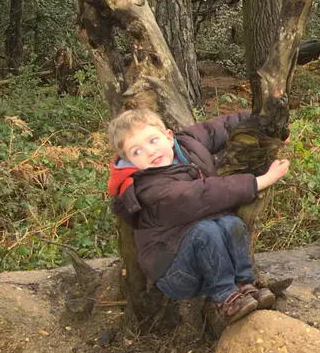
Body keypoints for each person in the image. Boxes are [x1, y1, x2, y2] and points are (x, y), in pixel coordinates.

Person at [105, 107, 290, 327]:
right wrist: (261, 180)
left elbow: (218, 128)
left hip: (203, 253)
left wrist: (268, 125)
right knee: (207, 231)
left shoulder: (187, 143)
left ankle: (244, 284)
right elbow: (205, 193)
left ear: (169, 136)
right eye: (136, 152)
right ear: (129, 162)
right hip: (175, 273)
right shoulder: (149, 189)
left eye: (153, 140)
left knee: (232, 224)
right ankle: (226, 299)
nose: (150, 151)